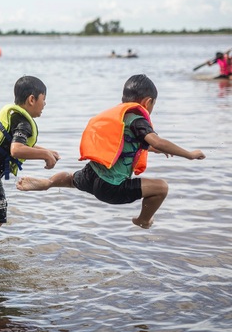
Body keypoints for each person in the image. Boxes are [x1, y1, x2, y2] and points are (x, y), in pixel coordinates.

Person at [17, 74, 206, 229]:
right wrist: (189, 154)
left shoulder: (121, 117)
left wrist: (153, 148)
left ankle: (47, 183)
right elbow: (156, 140)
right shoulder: (139, 120)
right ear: (148, 102)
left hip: (92, 175)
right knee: (161, 188)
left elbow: (129, 143)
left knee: (70, 178)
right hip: (112, 187)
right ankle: (143, 220)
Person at [0, 76, 60, 261]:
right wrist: (44, 155)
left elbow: (11, 144)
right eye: (43, 98)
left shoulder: (15, 116)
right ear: (32, 99)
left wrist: (45, 150)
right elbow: (16, 149)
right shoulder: (22, 121)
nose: (44, 103)